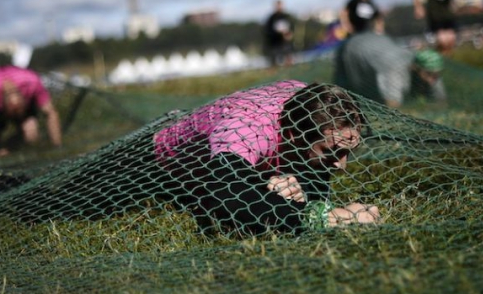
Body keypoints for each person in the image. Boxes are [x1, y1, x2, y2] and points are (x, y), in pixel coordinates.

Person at [153, 80, 380, 235]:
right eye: (333, 152)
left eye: (348, 152)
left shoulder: (312, 102)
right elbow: (225, 198)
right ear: (294, 134)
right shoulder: (246, 129)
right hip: (159, 164)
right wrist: (329, 219)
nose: (342, 166)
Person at [335, 15, 446, 107]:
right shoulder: (395, 68)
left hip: (379, 46)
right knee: (346, 92)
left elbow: (440, 99)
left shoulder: (429, 66)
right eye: (428, 75)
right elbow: (392, 105)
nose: (432, 80)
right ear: (415, 67)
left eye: (435, 75)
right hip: (353, 50)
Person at [0, 65, 62, 157]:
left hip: (25, 108)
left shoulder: (32, 81)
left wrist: (57, 145)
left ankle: (17, 147)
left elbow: (51, 112)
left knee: (31, 133)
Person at [263, 0, 295, 67]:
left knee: (288, 58)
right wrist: (279, 34)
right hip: (275, 43)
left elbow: (291, 28)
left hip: (285, 43)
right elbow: (268, 31)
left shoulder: (286, 17)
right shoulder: (271, 18)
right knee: (275, 62)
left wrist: (289, 34)